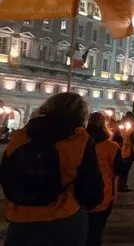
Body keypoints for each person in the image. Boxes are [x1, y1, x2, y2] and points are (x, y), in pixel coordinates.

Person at [0, 92, 104, 245]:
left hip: (21, 219)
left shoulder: (21, 136)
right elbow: (91, 187)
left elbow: (5, 174)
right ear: (81, 115)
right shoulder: (79, 140)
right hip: (64, 217)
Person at [86, 111, 125, 246]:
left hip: (77, 195)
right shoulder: (111, 146)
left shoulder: (77, 143)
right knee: (95, 233)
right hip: (103, 194)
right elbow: (120, 169)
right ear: (104, 125)